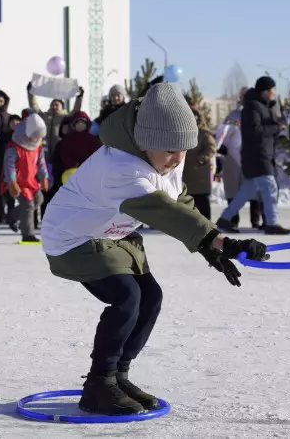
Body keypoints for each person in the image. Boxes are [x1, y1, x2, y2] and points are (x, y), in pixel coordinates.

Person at [41, 82, 268, 416]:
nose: (177, 159)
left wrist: (209, 246)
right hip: (72, 237)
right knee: (126, 296)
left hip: (114, 234)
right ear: (146, 142)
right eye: (169, 150)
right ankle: (98, 384)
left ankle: (118, 376)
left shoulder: (165, 159)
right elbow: (161, 209)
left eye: (182, 149)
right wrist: (219, 241)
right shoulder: (120, 167)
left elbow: (180, 200)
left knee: (151, 296)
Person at [216, 76, 290, 235]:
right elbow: (254, 131)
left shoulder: (264, 107)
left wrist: (279, 129)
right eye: (272, 90)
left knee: (246, 192)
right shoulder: (252, 107)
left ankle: (225, 219)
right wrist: (275, 128)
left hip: (261, 155)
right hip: (257, 156)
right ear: (265, 91)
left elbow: (266, 130)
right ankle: (272, 223)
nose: (274, 93)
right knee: (270, 188)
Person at [3, 113, 49, 242]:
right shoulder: (14, 148)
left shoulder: (37, 147)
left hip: (31, 181)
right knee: (28, 206)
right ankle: (28, 234)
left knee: (38, 200)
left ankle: (13, 215)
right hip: (18, 183)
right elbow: (9, 166)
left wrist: (44, 177)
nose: (36, 138)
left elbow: (41, 162)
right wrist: (12, 182)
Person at [182, 108, 217, 219]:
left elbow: (211, 148)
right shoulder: (182, 132)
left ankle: (207, 224)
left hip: (199, 172)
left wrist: (201, 158)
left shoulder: (203, 133)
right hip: (186, 173)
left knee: (202, 200)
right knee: (187, 201)